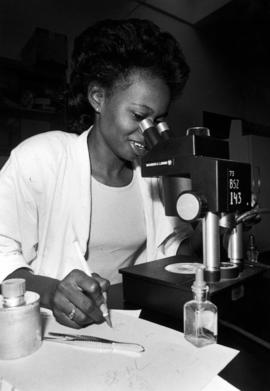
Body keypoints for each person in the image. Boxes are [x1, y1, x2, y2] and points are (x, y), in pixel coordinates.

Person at [0, 18, 194, 329]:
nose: (149, 132)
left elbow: (172, 248)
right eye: (139, 115)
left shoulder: (158, 175)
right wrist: (52, 292)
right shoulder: (40, 159)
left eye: (159, 120)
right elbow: (1, 254)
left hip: (137, 325)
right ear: (98, 97)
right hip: (54, 332)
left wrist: (215, 225)